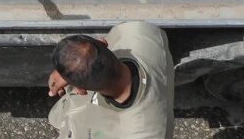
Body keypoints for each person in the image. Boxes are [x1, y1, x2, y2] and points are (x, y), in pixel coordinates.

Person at [47, 23, 176, 138]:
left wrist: (70, 72)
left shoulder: (140, 133)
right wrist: (69, 65)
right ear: (103, 42)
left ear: (81, 90)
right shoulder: (138, 32)